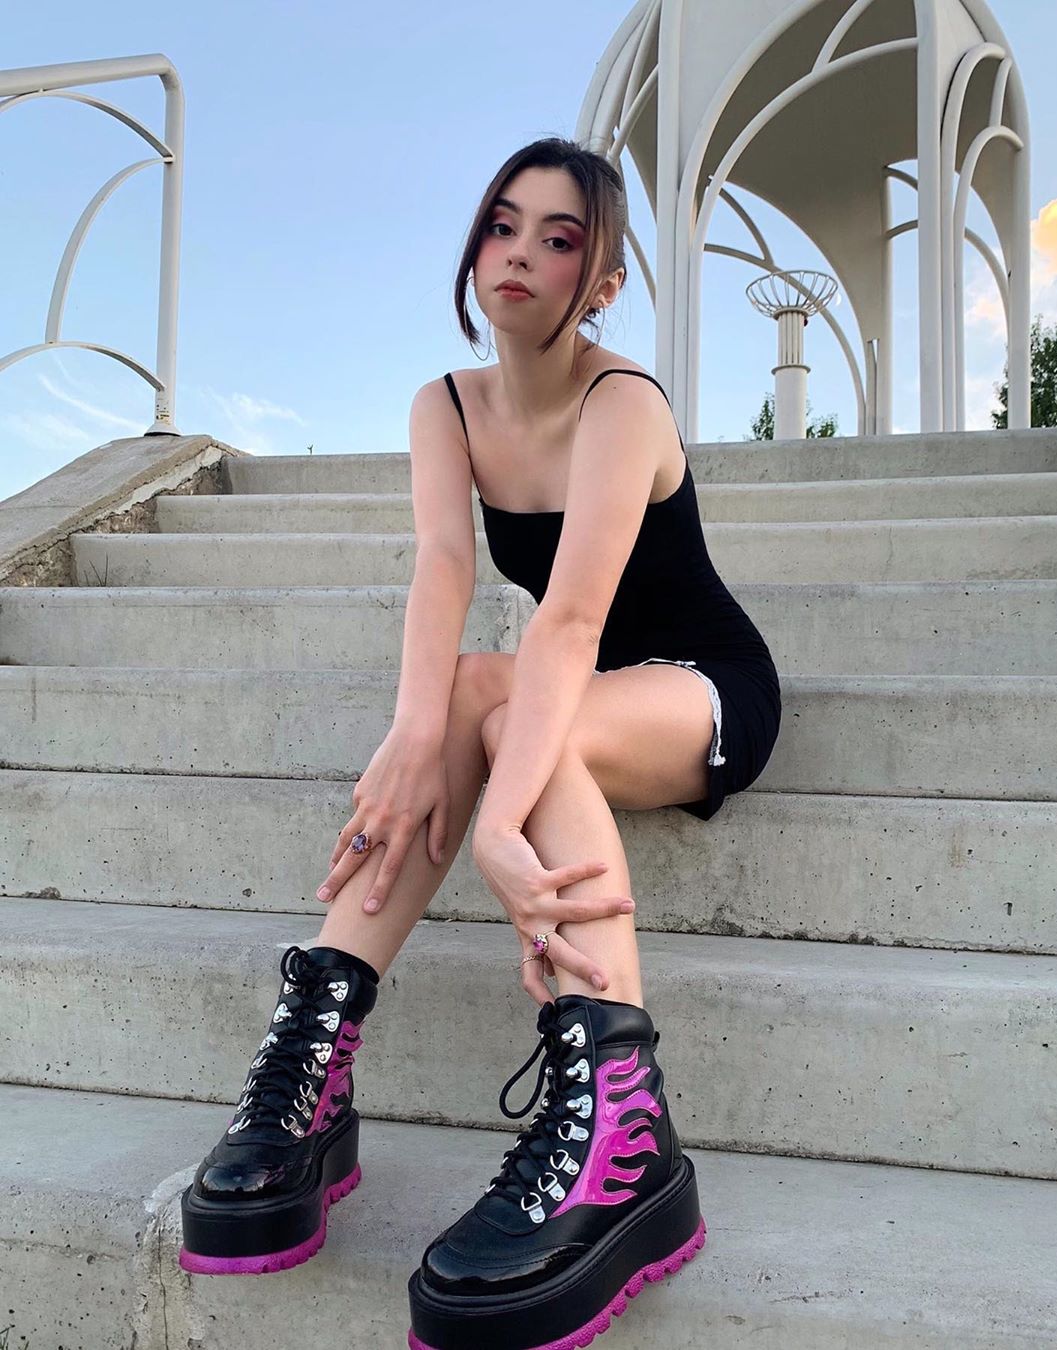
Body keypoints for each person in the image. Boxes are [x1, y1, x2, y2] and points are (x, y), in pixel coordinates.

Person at [179, 136, 782, 1349]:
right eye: (503, 224)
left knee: (509, 708)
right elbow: (446, 568)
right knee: (470, 699)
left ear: (600, 281)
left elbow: (568, 619)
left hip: (699, 689)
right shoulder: (445, 406)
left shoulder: (623, 403)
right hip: (585, 687)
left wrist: (499, 821)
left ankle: (625, 1134)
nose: (518, 253)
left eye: (558, 238)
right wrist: (415, 737)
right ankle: (313, 1057)